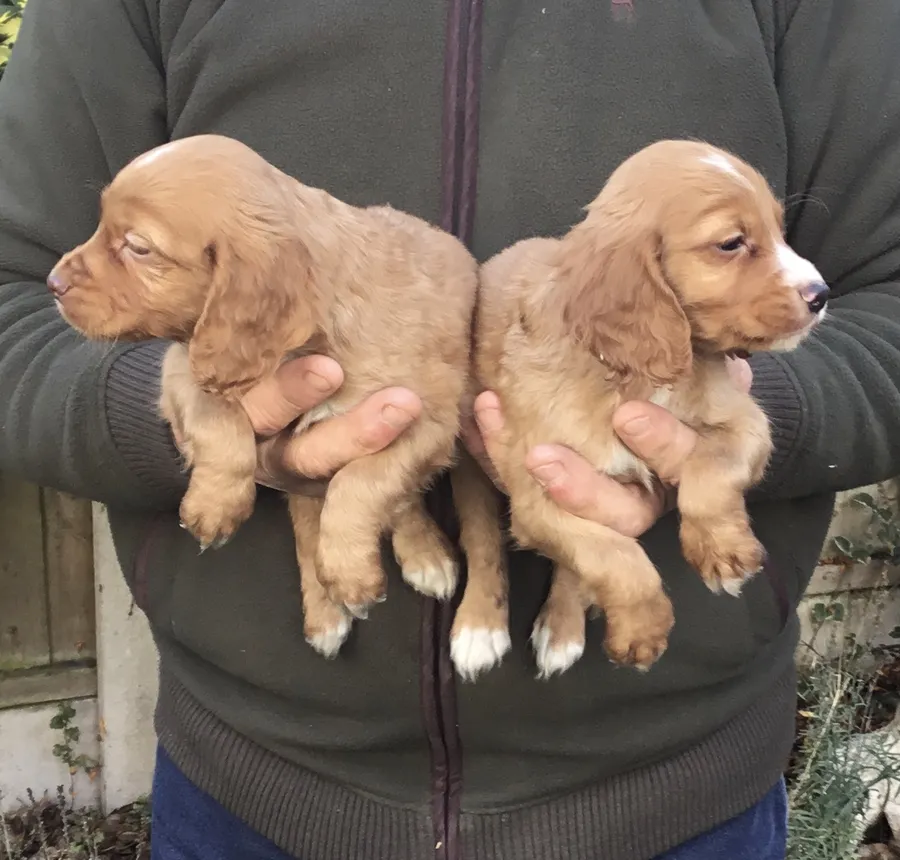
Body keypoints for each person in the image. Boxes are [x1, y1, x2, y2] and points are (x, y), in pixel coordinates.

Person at [1, 1, 899, 858]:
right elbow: (18, 301)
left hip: (681, 796)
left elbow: (881, 299)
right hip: (250, 789)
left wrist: (724, 428)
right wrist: (197, 426)